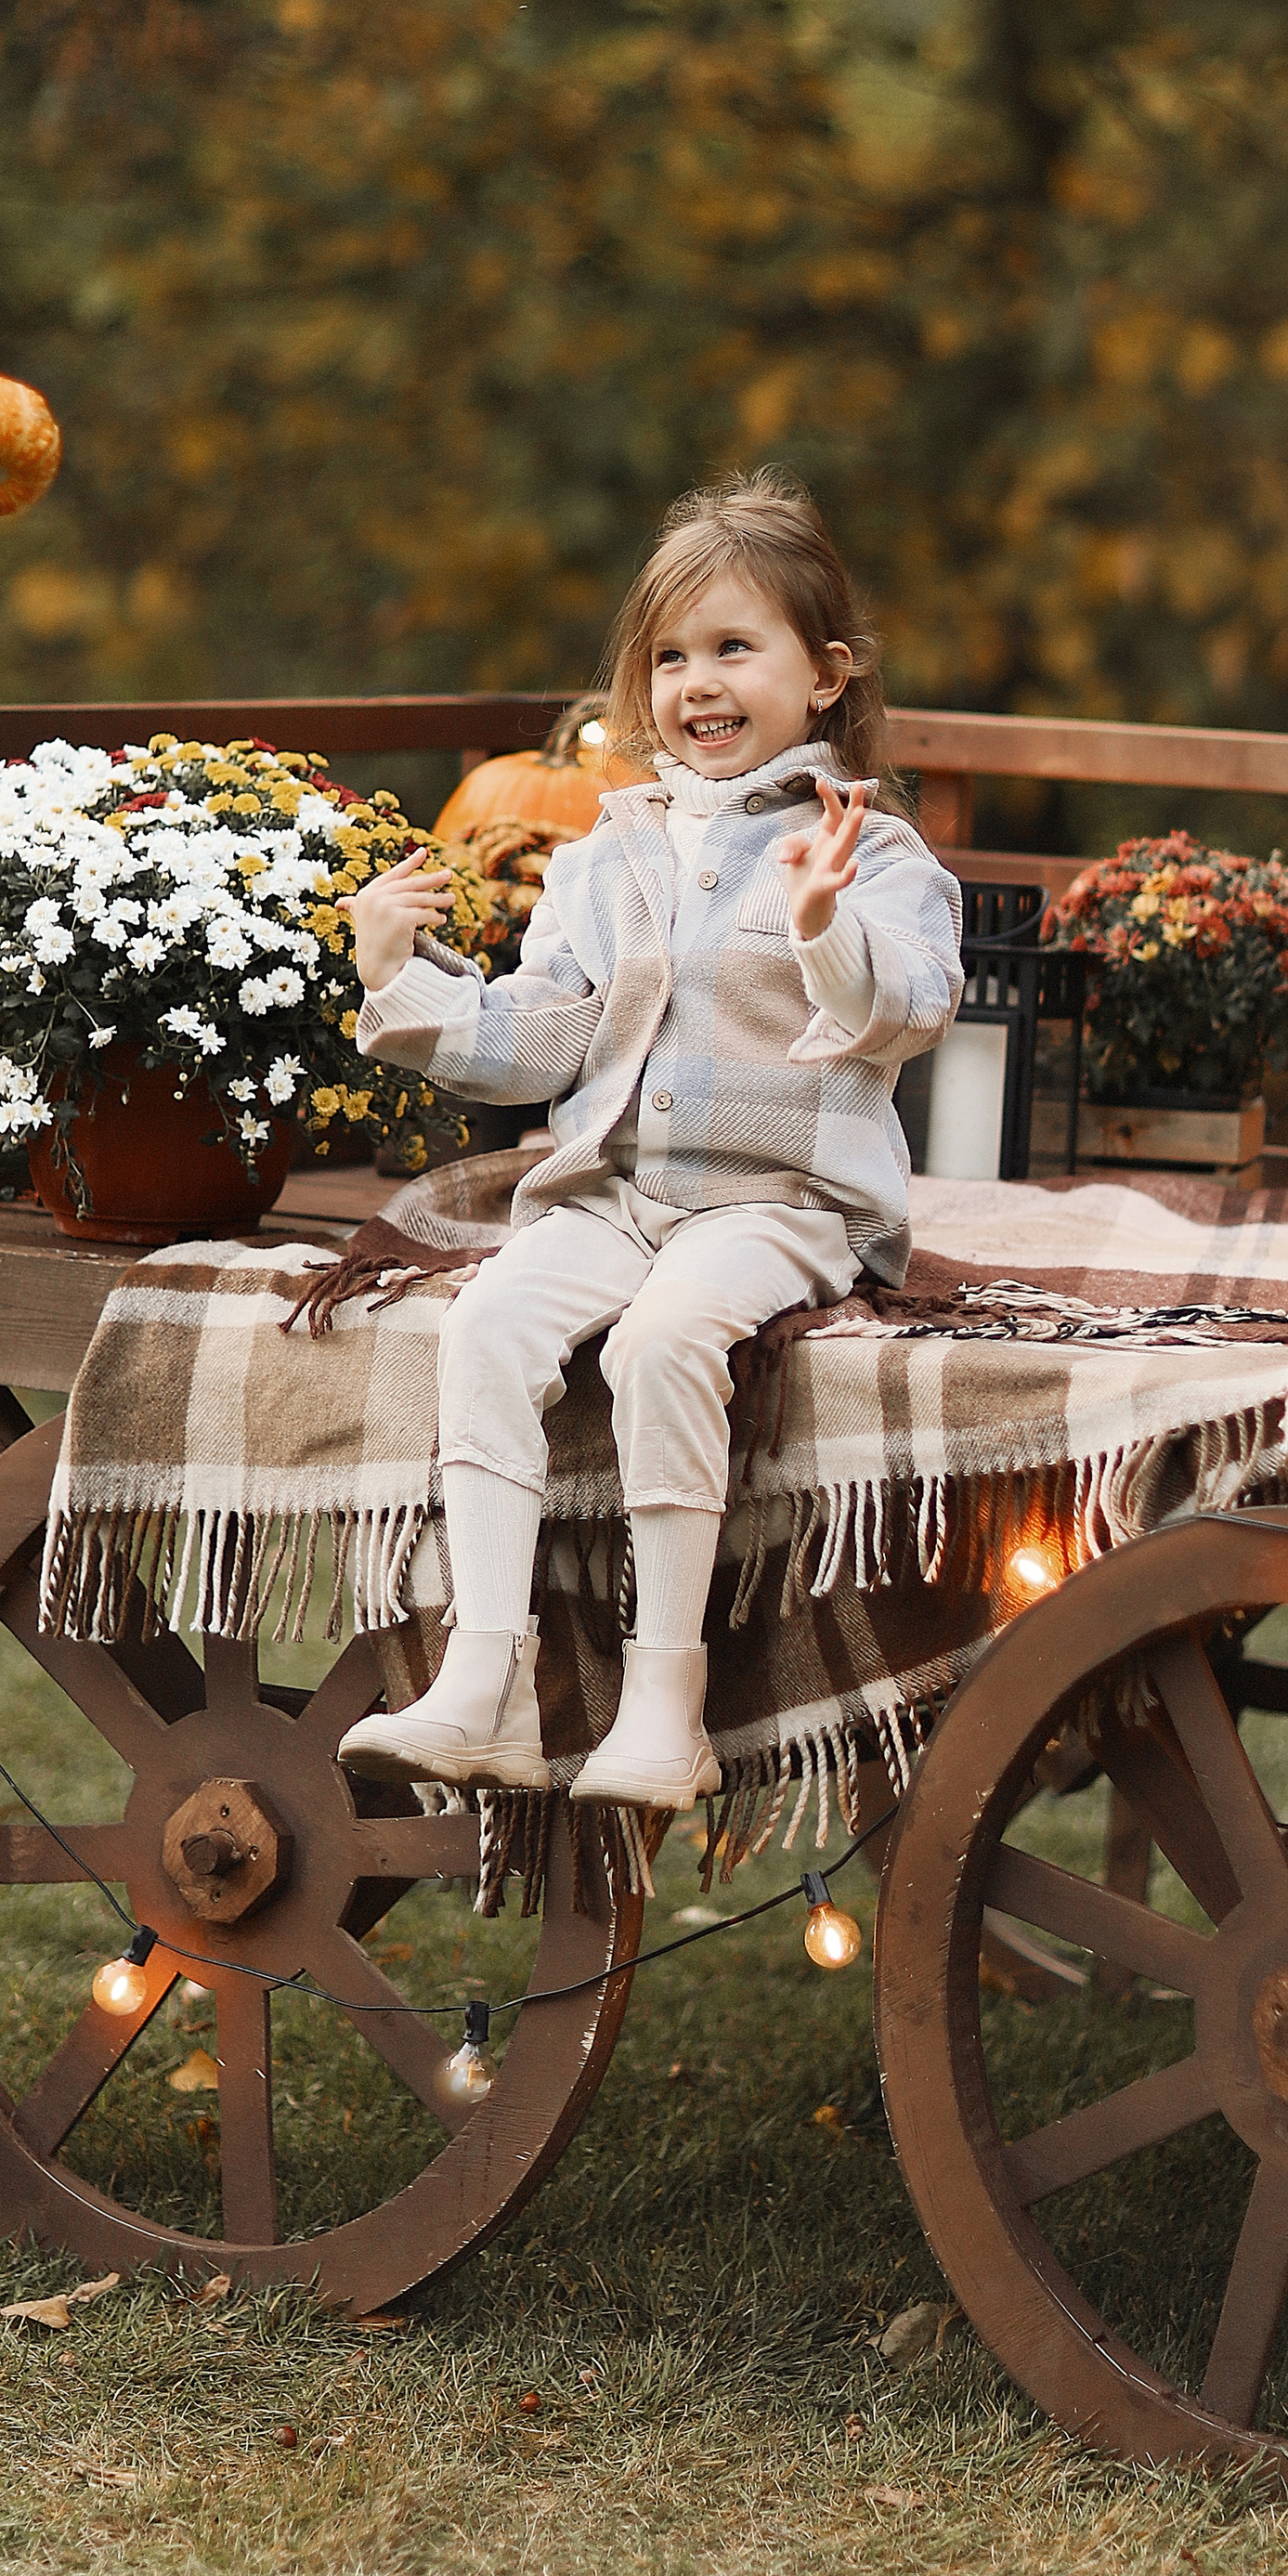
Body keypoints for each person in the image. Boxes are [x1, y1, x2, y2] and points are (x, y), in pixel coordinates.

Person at [332, 466, 965, 1810]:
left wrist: (821, 926)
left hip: (778, 1203)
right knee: (489, 1324)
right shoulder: (606, 856)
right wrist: (400, 981)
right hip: (615, 1195)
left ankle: (664, 1703)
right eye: (671, 656)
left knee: (663, 1340)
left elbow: (906, 1011)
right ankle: (486, 1681)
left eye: (735, 647)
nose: (698, 683)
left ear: (826, 675)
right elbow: (546, 1033)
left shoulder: (873, 856)